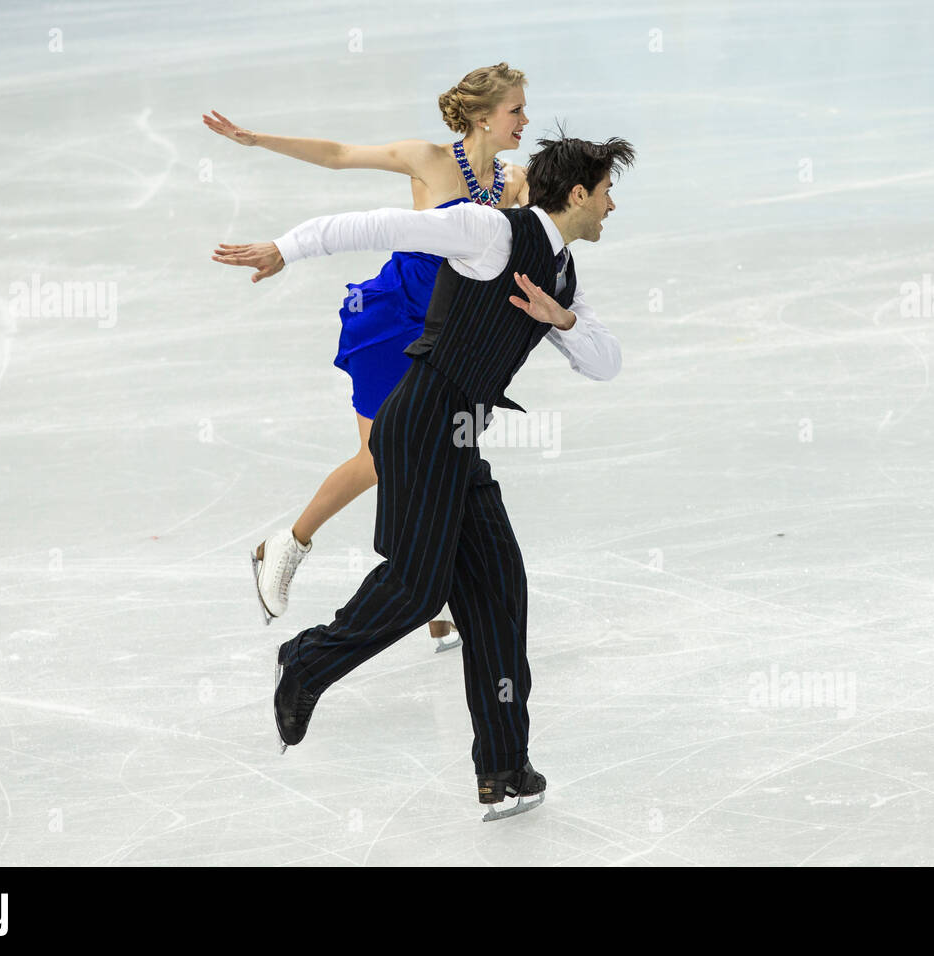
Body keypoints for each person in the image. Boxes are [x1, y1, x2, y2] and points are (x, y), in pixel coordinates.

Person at [212, 132, 635, 820]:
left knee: (498, 592)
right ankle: (307, 662)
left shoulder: (561, 278)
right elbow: (371, 225)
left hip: (460, 438)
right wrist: (284, 249)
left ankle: (504, 768)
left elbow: (606, 362)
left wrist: (561, 320)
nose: (613, 206)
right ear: (580, 194)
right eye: (608, 191)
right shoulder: (489, 231)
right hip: (419, 422)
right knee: (417, 588)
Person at [203, 64, 532, 650]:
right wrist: (256, 140)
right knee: (384, 455)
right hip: (390, 322)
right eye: (516, 111)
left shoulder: (512, 183)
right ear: (485, 117)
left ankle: (435, 601)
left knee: (445, 454)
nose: (524, 120)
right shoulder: (428, 160)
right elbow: (337, 154)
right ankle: (289, 544)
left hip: (446, 335)